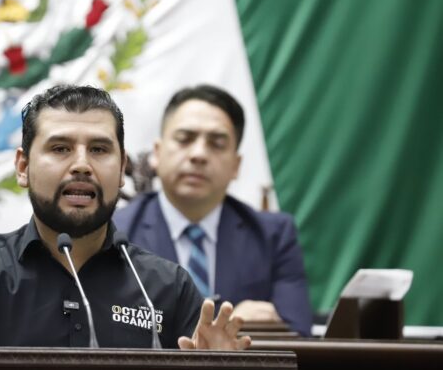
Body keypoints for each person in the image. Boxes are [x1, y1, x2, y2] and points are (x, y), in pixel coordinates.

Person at [0, 85, 250, 370]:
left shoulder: (167, 286)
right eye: (60, 148)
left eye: (99, 150)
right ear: (23, 167)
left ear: (122, 168)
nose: (81, 165)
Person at [114, 85, 312, 336]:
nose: (199, 154)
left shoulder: (273, 235)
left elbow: (298, 334)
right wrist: (226, 324)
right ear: (157, 153)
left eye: (216, 143)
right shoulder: (116, 232)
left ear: (236, 165)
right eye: (184, 139)